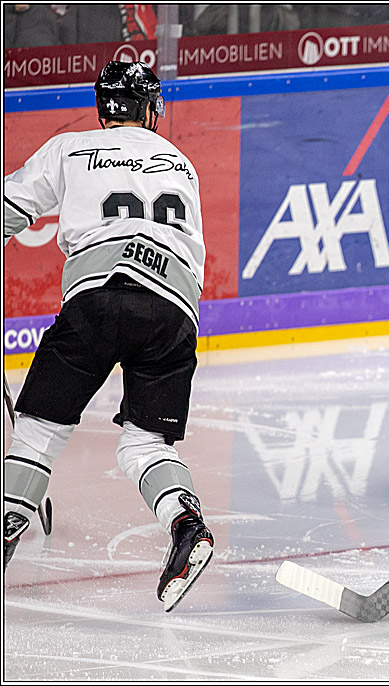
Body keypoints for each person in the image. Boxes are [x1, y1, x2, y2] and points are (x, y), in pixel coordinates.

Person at [3, 61, 213, 613]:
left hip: (100, 294)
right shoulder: (182, 163)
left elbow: (8, 210)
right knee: (144, 444)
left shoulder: (71, 148)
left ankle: (5, 529)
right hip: (175, 310)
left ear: (101, 110)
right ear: (150, 110)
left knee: (39, 431)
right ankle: (187, 524)